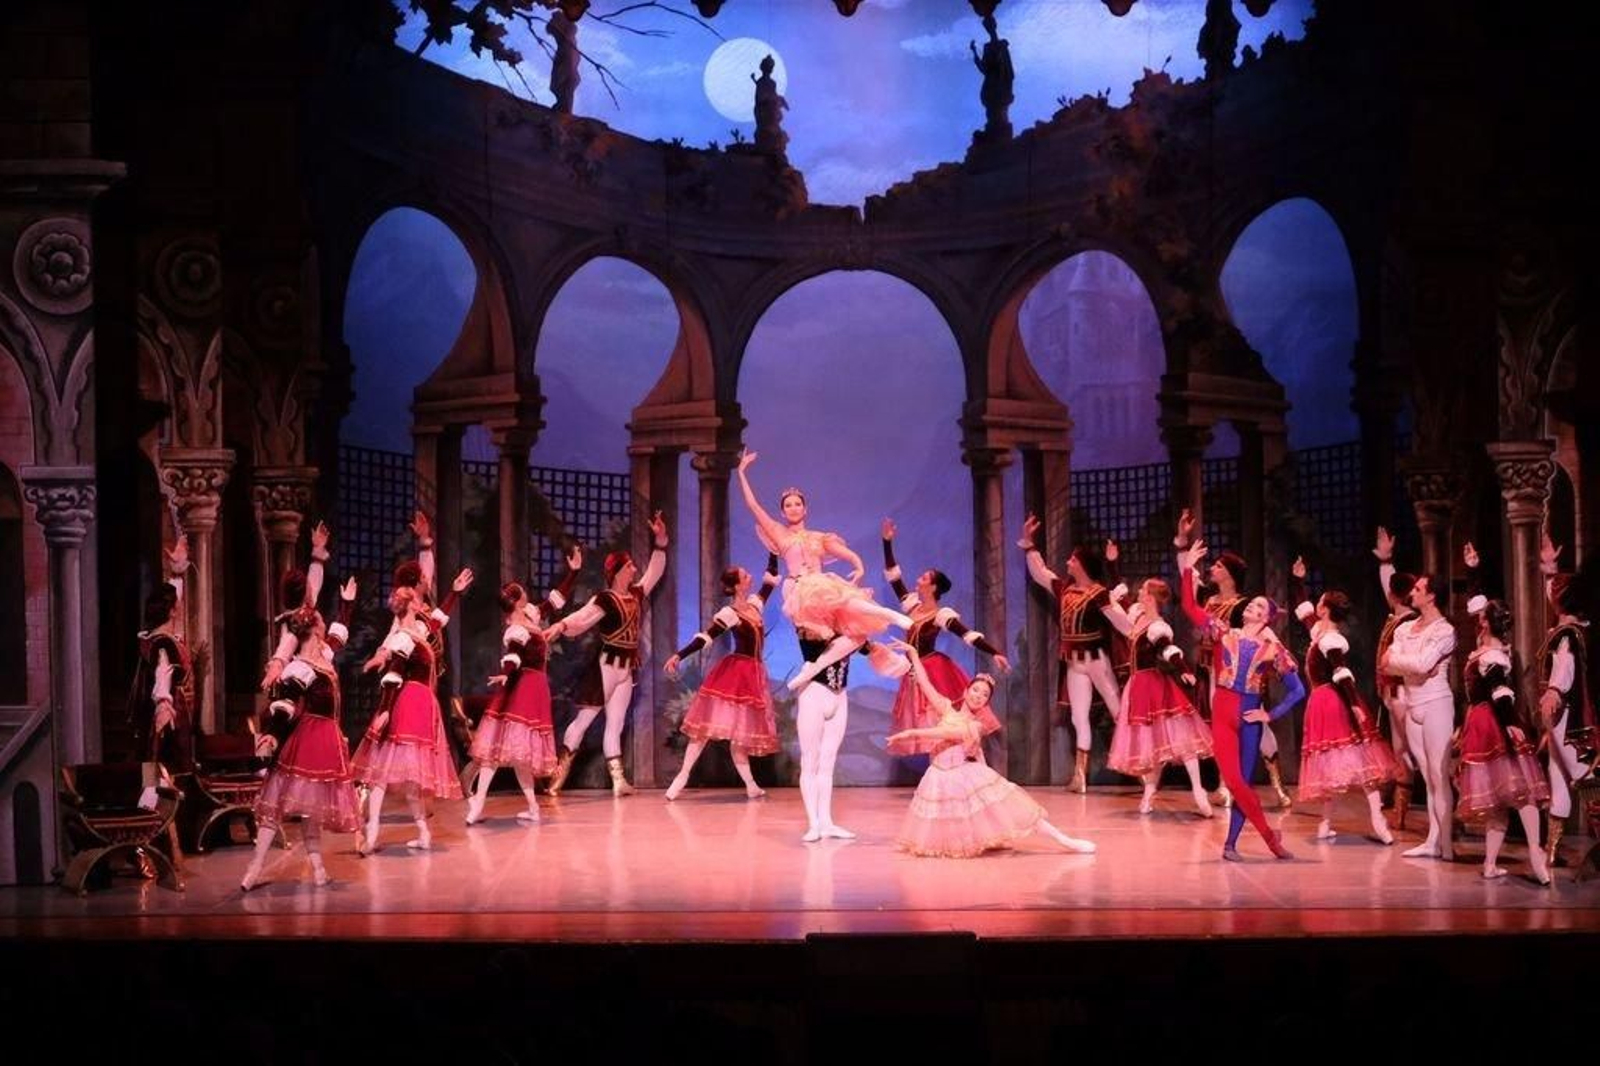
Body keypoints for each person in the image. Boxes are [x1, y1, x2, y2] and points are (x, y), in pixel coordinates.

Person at [889, 642, 1094, 857]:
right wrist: (913, 653)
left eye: (984, 694)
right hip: (938, 777)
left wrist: (912, 733)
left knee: (1017, 810)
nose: (978, 695)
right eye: (975, 690)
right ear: (966, 690)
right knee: (949, 828)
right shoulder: (947, 709)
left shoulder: (977, 725)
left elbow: (951, 734)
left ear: (987, 701)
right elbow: (925, 684)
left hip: (963, 775)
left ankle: (1065, 841)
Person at [545, 512, 669, 797]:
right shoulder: (604, 598)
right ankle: (557, 774)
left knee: (615, 723)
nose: (635, 570)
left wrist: (660, 541)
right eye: (630, 566)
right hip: (605, 668)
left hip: (627, 669)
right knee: (584, 721)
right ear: (619, 570)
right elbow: (584, 617)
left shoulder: (636, 594)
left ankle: (618, 780)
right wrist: (562, 625)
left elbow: (655, 571)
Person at [662, 554, 782, 800]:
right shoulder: (730, 612)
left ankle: (750, 786)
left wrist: (773, 551)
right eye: (745, 575)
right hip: (735, 674)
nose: (750, 577)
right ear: (738, 584)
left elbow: (769, 581)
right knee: (704, 729)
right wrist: (679, 655)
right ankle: (682, 776)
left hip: (753, 675)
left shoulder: (754, 605)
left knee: (740, 736)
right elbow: (706, 637)